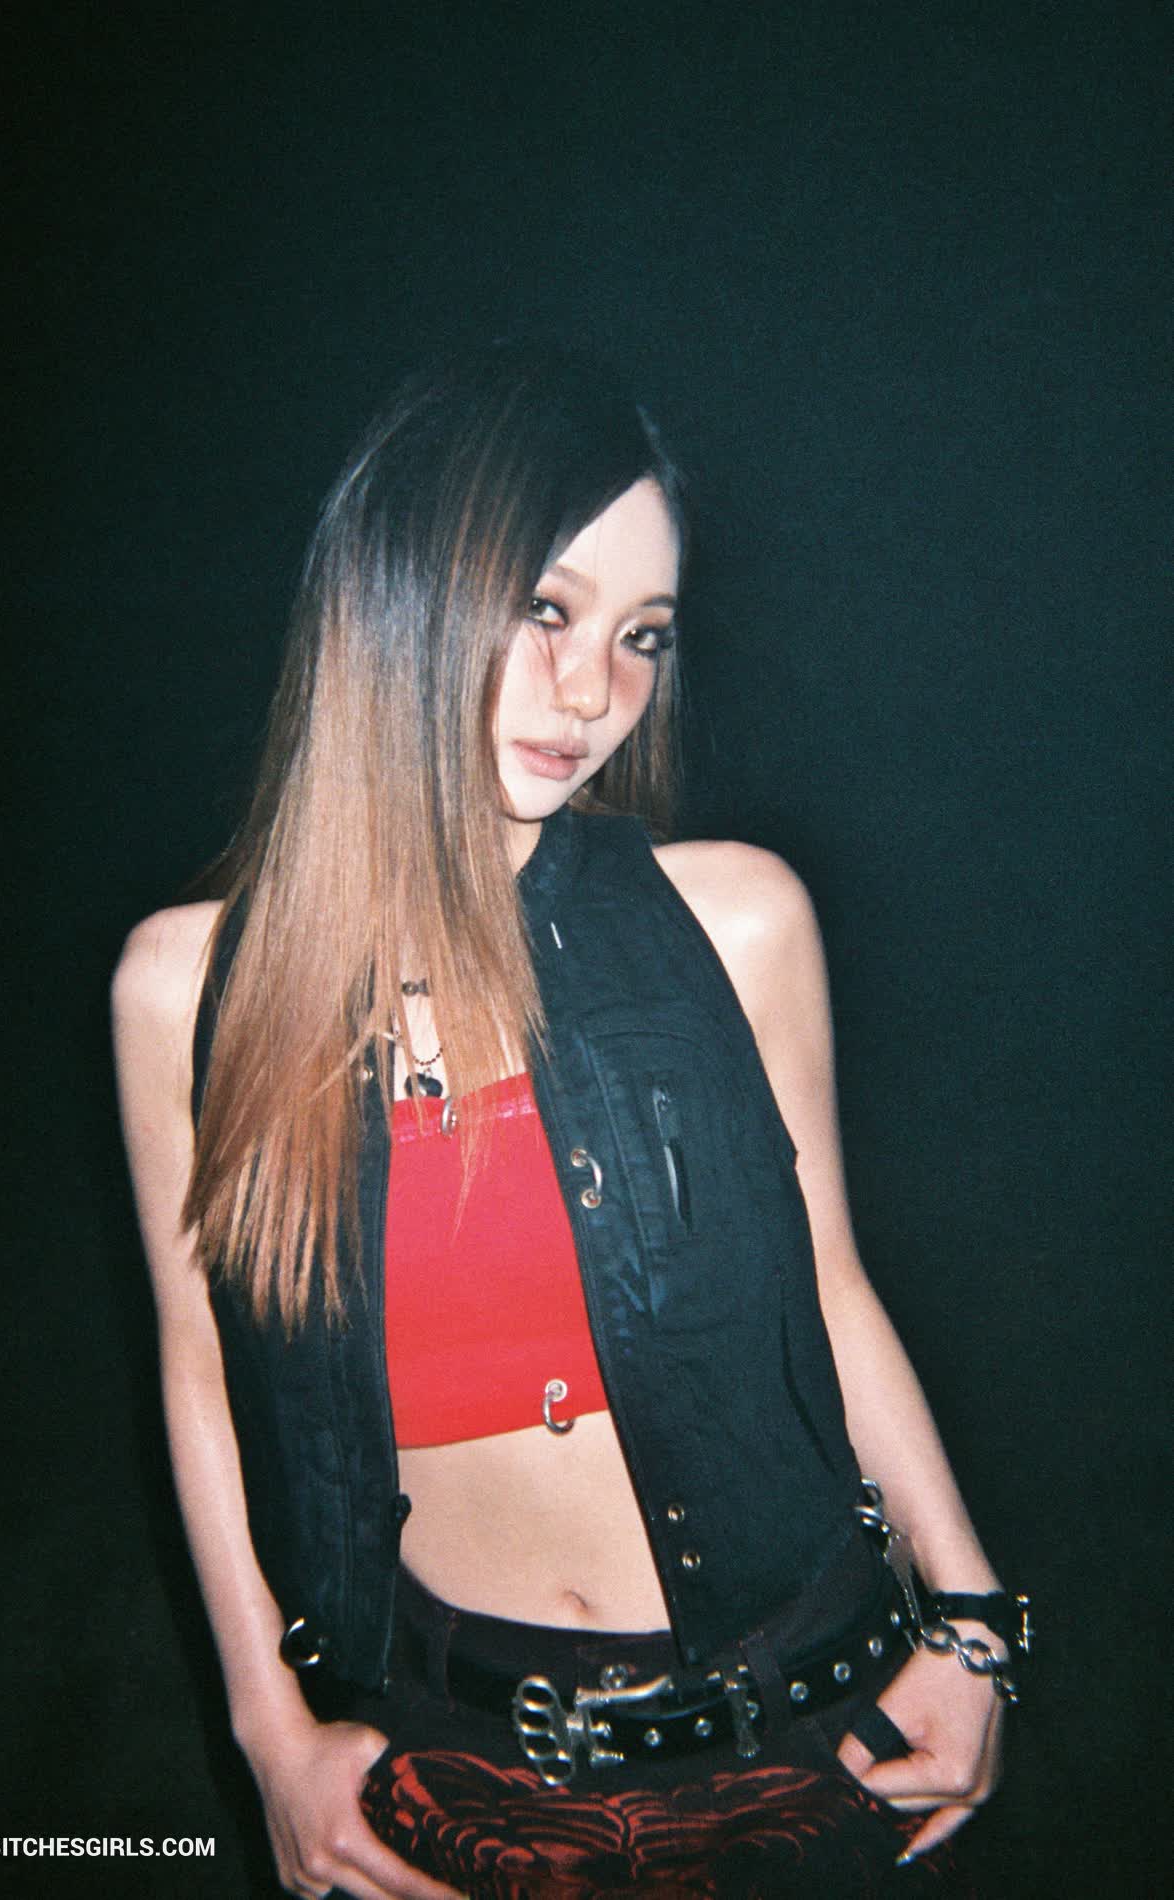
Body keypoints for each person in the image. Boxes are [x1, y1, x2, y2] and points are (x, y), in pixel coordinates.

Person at [113, 345, 1027, 1899]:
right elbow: (201, 1371)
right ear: (399, 597)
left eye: (639, 635)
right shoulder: (188, 988)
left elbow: (830, 1286)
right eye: (544, 609)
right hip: (446, 1756)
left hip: (808, 1724)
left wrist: (973, 1624)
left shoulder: (731, 922)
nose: (595, 691)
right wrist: (269, 1732)